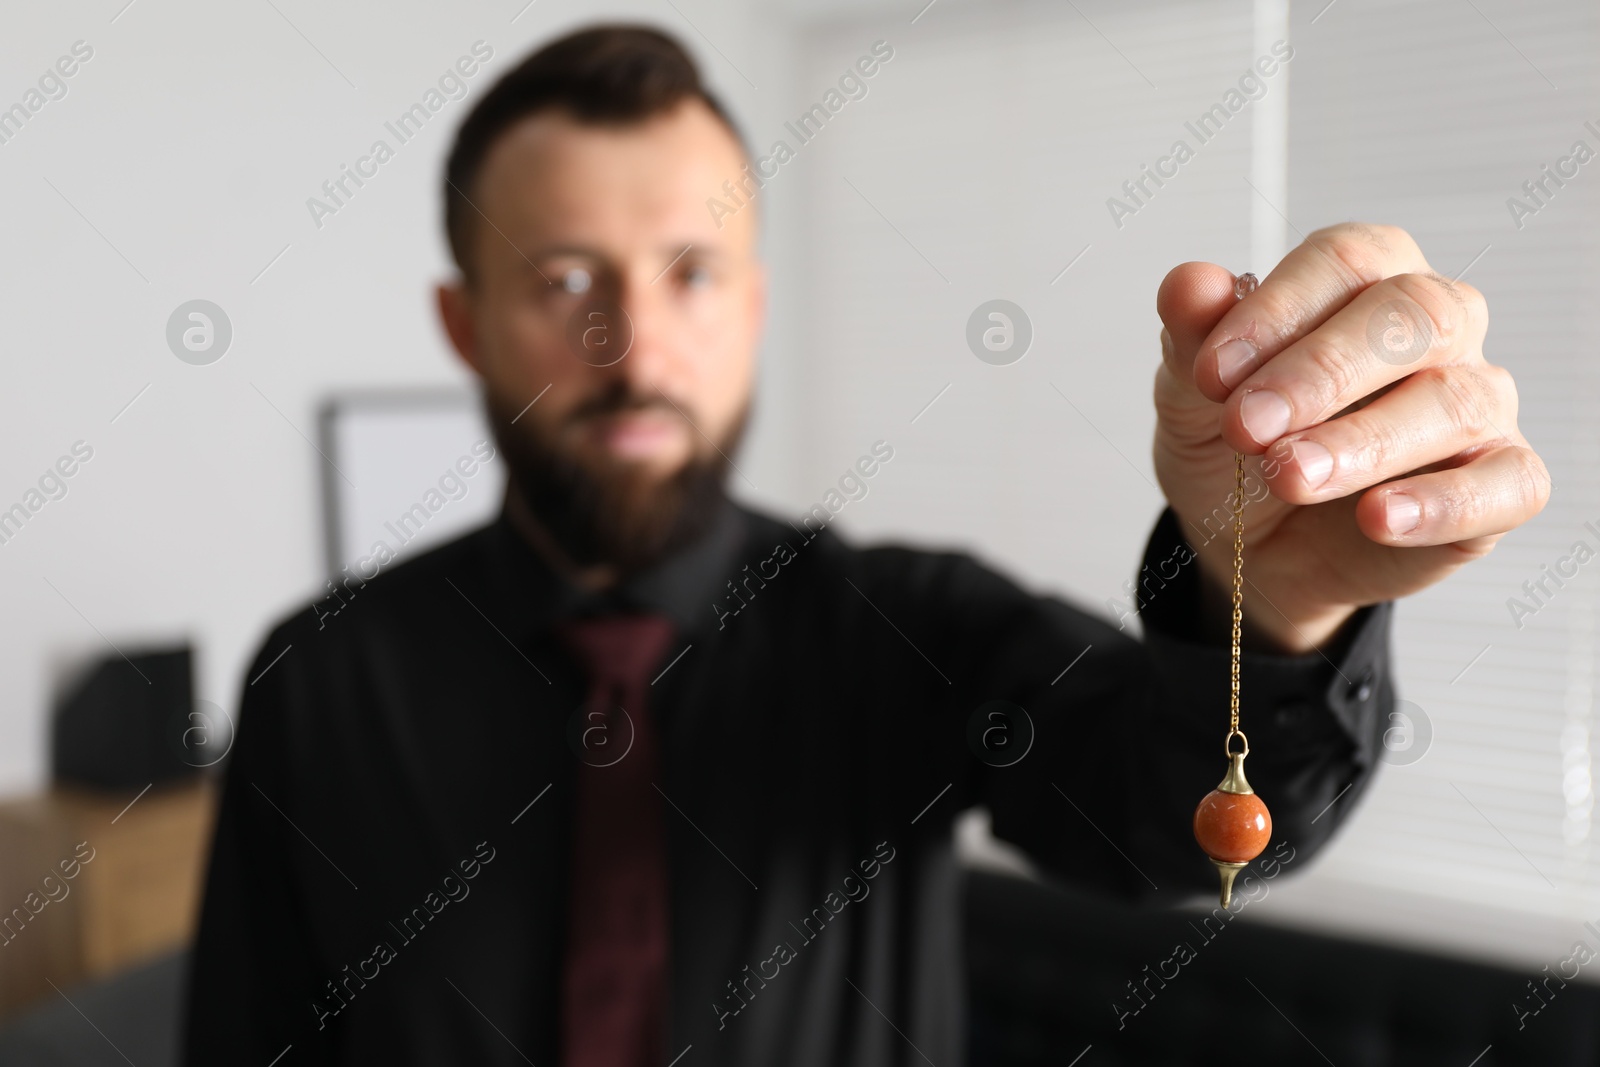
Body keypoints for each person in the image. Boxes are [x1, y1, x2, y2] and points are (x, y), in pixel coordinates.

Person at [181, 23, 1548, 1067]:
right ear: (465, 324)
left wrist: (1275, 600)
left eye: (691, 272)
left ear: (754, 305)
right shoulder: (318, 681)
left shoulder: (909, 632)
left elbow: (1175, 816)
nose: (637, 345)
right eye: (564, 282)